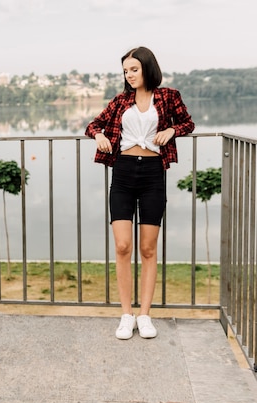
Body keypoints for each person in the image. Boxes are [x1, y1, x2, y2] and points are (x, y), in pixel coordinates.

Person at [85, 47, 195, 340]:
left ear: (147, 68)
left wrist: (172, 130)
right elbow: (93, 125)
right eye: (125, 71)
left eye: (133, 69)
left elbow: (188, 123)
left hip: (152, 176)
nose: (129, 75)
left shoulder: (169, 96)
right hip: (122, 174)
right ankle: (126, 315)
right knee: (122, 246)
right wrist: (98, 135)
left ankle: (144, 315)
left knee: (147, 249)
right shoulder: (120, 101)